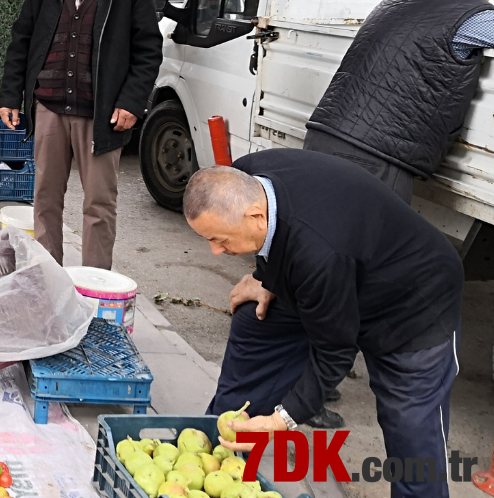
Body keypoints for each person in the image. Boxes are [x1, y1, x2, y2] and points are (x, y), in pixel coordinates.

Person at [186, 151, 462, 498]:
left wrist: (280, 420)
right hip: (334, 274)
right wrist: (268, 277)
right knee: (254, 320)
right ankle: (220, 449)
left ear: (256, 216)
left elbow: (334, 354)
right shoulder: (244, 177)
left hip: (413, 303)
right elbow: (286, 239)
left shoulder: (318, 255)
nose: (214, 251)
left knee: (411, 428)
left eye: (220, 240)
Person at [0, 0, 162, 269]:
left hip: (101, 111)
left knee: (99, 204)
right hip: (49, 107)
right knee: (45, 200)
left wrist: (132, 102)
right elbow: (22, 41)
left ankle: (94, 287)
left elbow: (148, 49)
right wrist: (11, 95)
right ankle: (46, 280)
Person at [306, 0, 494, 203]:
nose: (489, 0)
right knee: (367, 244)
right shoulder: (470, 12)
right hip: (374, 157)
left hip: (324, 137)